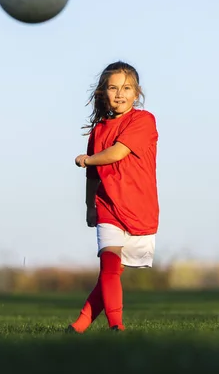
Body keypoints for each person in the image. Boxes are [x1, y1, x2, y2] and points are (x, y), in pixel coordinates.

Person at [68, 61, 159, 333]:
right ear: (103, 93)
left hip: (139, 206)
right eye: (113, 87)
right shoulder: (98, 131)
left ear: (136, 93)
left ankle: (79, 326)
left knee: (114, 272)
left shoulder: (144, 120)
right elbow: (93, 176)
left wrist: (87, 159)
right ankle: (116, 326)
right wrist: (89, 207)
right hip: (107, 205)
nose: (120, 93)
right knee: (109, 263)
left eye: (126, 87)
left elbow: (117, 153)